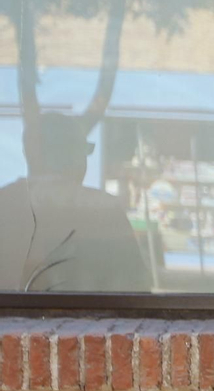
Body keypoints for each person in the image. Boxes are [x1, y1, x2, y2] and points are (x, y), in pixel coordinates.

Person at [0, 112, 152, 293]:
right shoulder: (104, 209)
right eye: (84, 150)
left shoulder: (5, 202)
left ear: (30, 155)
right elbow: (135, 292)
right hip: (93, 320)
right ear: (75, 155)